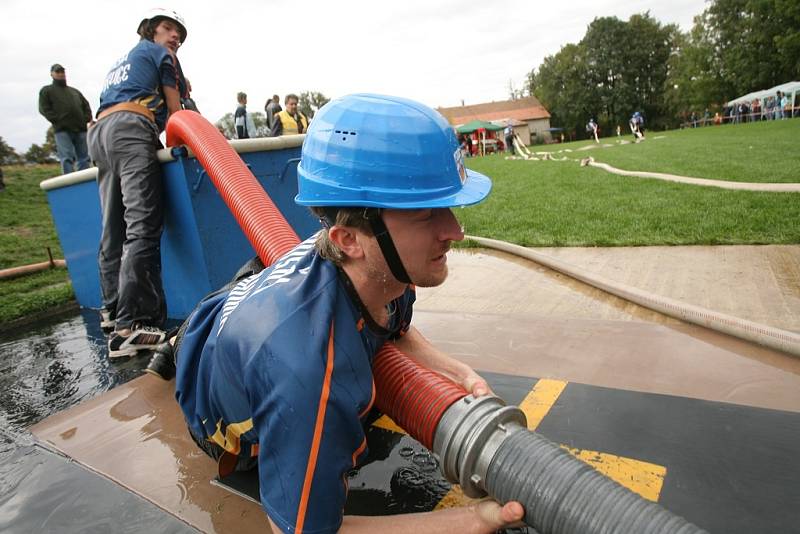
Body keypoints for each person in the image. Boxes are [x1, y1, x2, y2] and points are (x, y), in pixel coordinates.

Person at [172, 94, 524, 533]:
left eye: (449, 207)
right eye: (424, 213)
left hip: (241, 307)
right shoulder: (307, 376)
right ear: (349, 239)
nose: (455, 230)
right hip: (209, 394)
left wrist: (457, 372)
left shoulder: (380, 269)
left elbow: (397, 327)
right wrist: (474, 518)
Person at [88, 8, 188, 357]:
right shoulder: (161, 54)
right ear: (150, 30)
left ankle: (111, 311)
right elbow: (179, 115)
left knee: (112, 228)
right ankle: (130, 328)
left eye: (178, 32)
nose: (174, 36)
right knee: (142, 226)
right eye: (168, 28)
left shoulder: (121, 64)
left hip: (100, 134)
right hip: (131, 130)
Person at [38, 64, 93, 175]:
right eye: (57, 72)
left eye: (62, 71)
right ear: (52, 74)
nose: (61, 74)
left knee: (84, 158)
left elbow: (86, 105)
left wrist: (86, 119)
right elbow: (44, 108)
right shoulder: (47, 90)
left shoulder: (74, 91)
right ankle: (69, 185)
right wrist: (57, 120)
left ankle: (84, 183)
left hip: (81, 128)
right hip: (62, 130)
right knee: (67, 158)